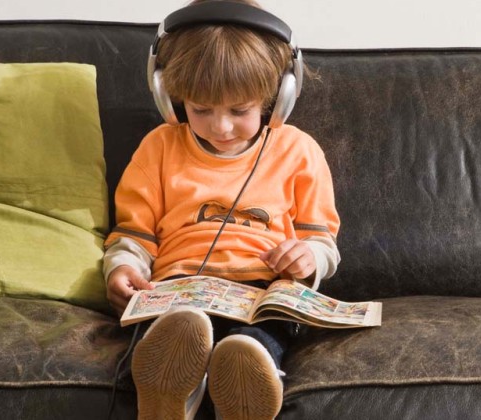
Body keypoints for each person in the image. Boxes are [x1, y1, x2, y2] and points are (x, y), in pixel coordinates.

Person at [102, 1, 340, 419]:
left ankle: (248, 375)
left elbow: (321, 240)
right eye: (201, 109)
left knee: (254, 340)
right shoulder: (159, 147)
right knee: (173, 327)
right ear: (169, 98)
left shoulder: (299, 151)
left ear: (278, 98)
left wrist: (308, 258)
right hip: (177, 288)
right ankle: (169, 392)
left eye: (239, 110)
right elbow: (133, 235)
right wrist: (120, 269)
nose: (221, 127)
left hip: (263, 290)